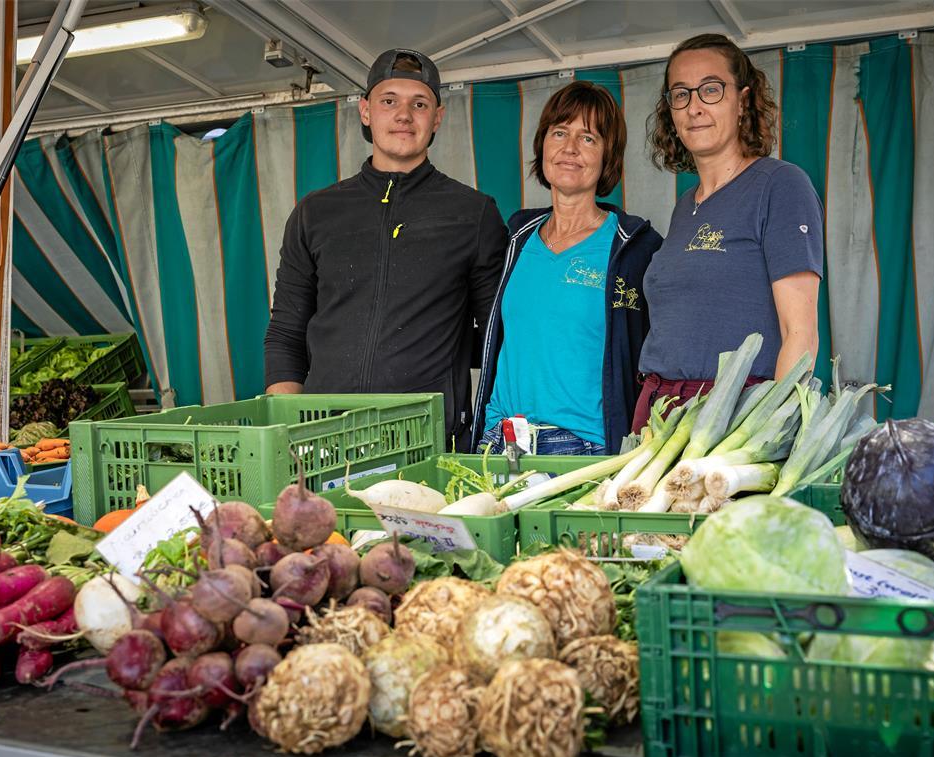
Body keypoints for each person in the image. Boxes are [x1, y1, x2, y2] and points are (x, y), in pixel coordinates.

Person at [263, 49, 508, 449]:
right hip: (324, 437)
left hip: (426, 437)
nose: (404, 115)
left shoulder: (474, 214)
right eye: (389, 101)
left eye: (420, 104)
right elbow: (286, 330)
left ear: (438, 118)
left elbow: (497, 335)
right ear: (365, 111)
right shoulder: (315, 212)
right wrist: (288, 429)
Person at [632, 33, 824, 432]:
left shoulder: (780, 185)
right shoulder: (686, 206)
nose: (694, 106)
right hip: (660, 412)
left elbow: (800, 335)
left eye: (711, 90)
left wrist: (768, 434)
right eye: (680, 94)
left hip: (733, 415)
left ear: (744, 101)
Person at [471, 81, 663, 456]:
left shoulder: (635, 246)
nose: (570, 148)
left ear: (609, 156)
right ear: (543, 144)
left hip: (583, 444)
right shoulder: (516, 238)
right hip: (500, 441)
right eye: (560, 133)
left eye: (588, 138)